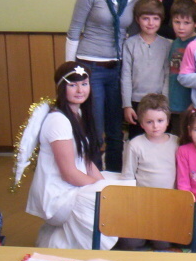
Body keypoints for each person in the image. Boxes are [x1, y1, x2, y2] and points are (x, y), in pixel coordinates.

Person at [26, 62, 133, 249]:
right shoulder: (58, 121)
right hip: (58, 195)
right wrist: (102, 189)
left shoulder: (79, 113)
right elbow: (69, 173)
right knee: (110, 194)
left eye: (84, 84)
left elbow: (86, 161)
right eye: (73, 85)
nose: (80, 90)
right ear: (61, 88)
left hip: (72, 187)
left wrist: (104, 184)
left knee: (123, 184)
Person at [67, 0, 141, 172]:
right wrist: (71, 73)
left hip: (117, 69)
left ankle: (115, 180)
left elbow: (133, 37)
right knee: (95, 130)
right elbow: (74, 31)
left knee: (116, 132)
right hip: (90, 68)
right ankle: (95, 181)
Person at [119, 93, 179, 250]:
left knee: (162, 243)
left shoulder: (176, 142)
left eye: (160, 121)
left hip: (167, 205)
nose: (155, 126)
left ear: (168, 121)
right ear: (141, 123)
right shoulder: (135, 145)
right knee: (130, 243)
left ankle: (155, 233)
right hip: (142, 204)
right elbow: (128, 176)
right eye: (149, 122)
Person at [121, 0, 171, 139]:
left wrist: (165, 102)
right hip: (136, 102)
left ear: (161, 20)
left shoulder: (166, 45)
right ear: (138, 19)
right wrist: (127, 105)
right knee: (136, 140)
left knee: (159, 139)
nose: (150, 23)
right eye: (145, 18)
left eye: (155, 18)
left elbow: (167, 75)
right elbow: (125, 76)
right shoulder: (130, 44)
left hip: (159, 102)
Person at [167, 0, 196, 136]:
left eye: (186, 23)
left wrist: (195, 103)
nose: (181, 27)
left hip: (192, 106)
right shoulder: (175, 43)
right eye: (177, 22)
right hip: (174, 105)